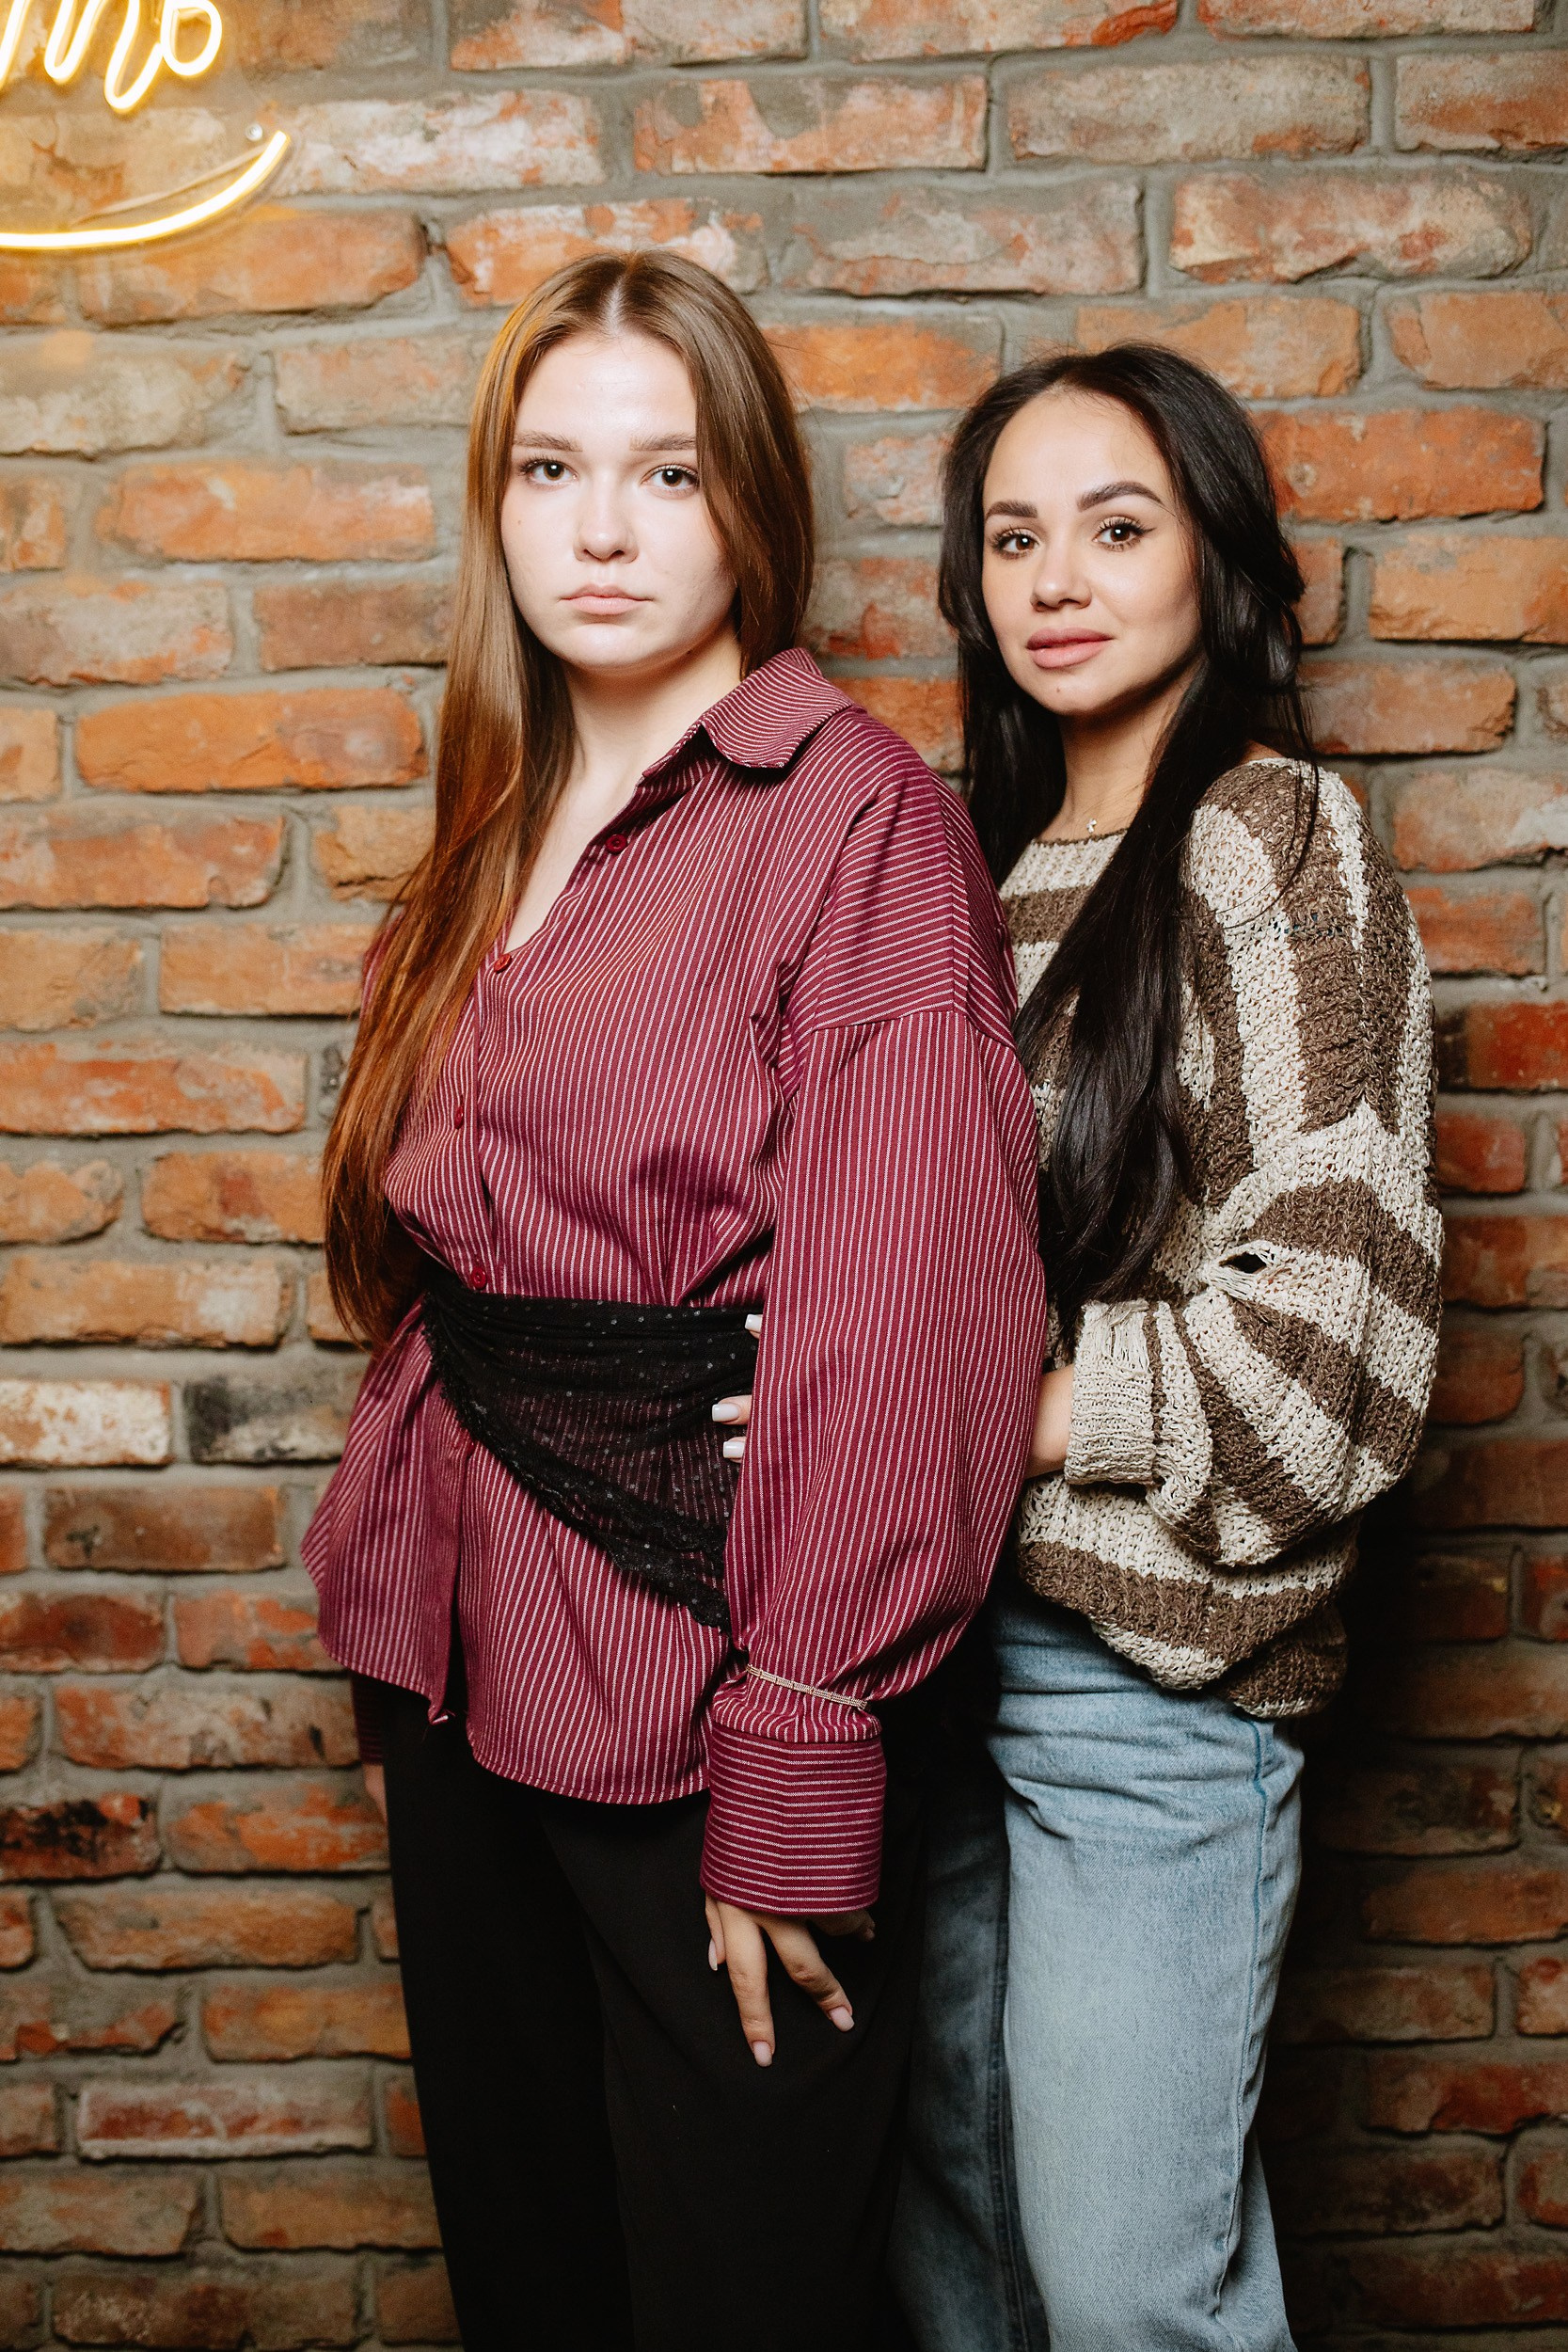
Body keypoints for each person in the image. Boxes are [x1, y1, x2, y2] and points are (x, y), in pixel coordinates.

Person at [301, 250, 1048, 2352]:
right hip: (459, 1650)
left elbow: (905, 1324)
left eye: (668, 471)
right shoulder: (498, 810)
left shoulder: (854, 820)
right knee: (532, 2269)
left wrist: (798, 1751)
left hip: (706, 1678)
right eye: (552, 469)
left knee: (743, 2297)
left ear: (751, 508)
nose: (603, 529)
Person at [885, 347, 1443, 2352]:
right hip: (931, 1656)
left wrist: (1005, 1413)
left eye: (1116, 528)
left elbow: (1340, 1338)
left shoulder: (1271, 836)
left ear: (1217, 553)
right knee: (962, 2274)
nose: (1056, 579)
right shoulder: (962, 874)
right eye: (1013, 537)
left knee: (1130, 2293)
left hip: (1150, 1675)